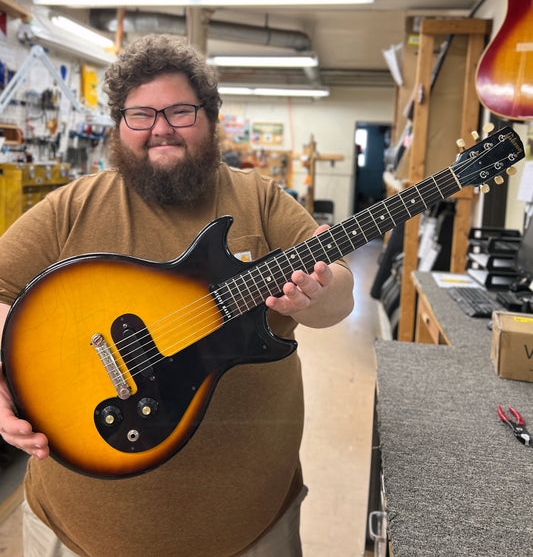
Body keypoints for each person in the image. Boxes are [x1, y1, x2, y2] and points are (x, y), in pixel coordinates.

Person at [0, 34, 354, 557]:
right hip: (73, 535)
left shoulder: (259, 200)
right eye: (140, 114)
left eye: (180, 111)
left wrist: (319, 294)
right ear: (121, 126)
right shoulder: (72, 206)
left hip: (252, 530)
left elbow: (338, 294)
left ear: (209, 118)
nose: (160, 127)